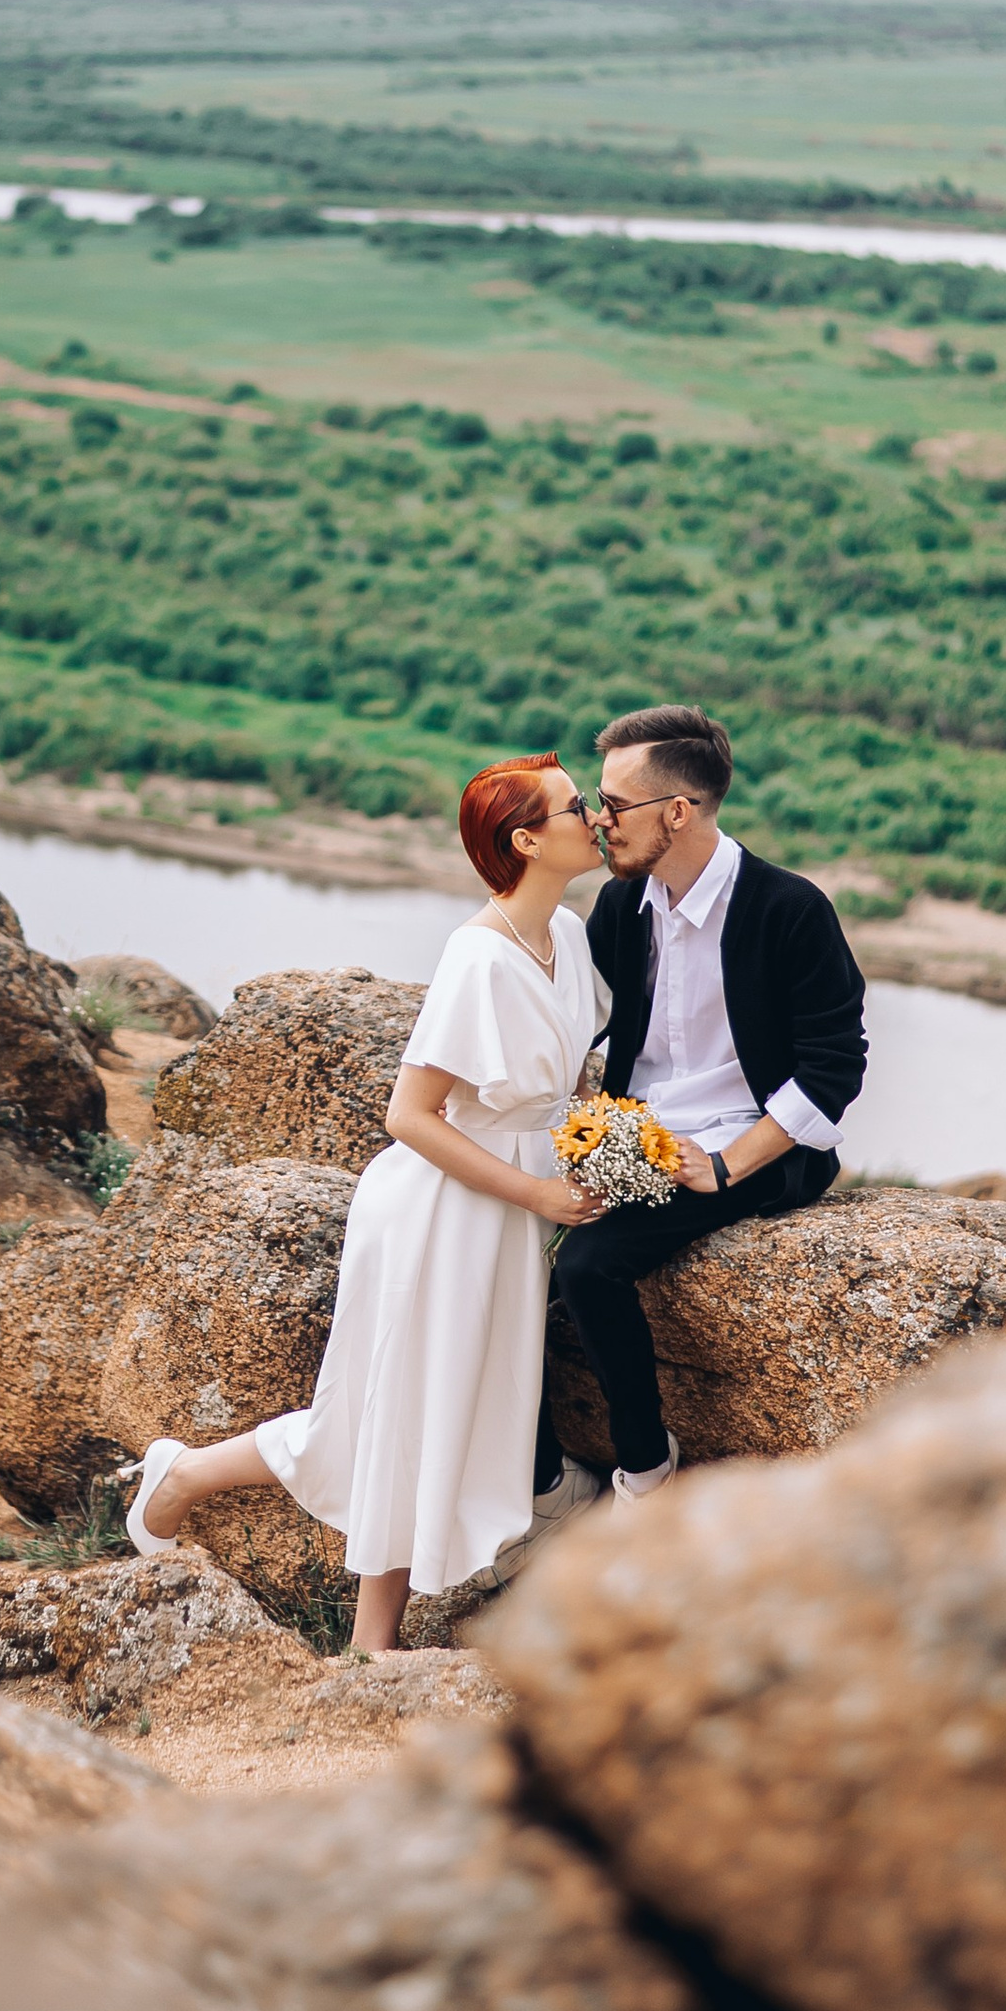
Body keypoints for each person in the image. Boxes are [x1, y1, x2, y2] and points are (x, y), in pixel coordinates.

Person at [121, 754, 608, 1655]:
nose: (598, 815)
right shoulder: (476, 957)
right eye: (578, 806)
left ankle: (194, 1478)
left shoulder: (569, 939)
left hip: (508, 1213)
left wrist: (592, 1162)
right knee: (397, 1416)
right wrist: (538, 1187)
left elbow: (565, 1089)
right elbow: (408, 1116)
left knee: (435, 1413)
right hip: (439, 1214)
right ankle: (361, 1640)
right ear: (528, 839)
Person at [537, 701, 866, 1511]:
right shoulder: (621, 906)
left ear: (676, 812)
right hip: (637, 1138)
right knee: (497, 1258)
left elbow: (835, 1066)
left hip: (754, 1150)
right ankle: (541, 1485)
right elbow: (586, 1024)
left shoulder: (789, 909)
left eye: (613, 806)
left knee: (588, 1265)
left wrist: (724, 1167)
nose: (599, 821)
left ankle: (645, 1474)